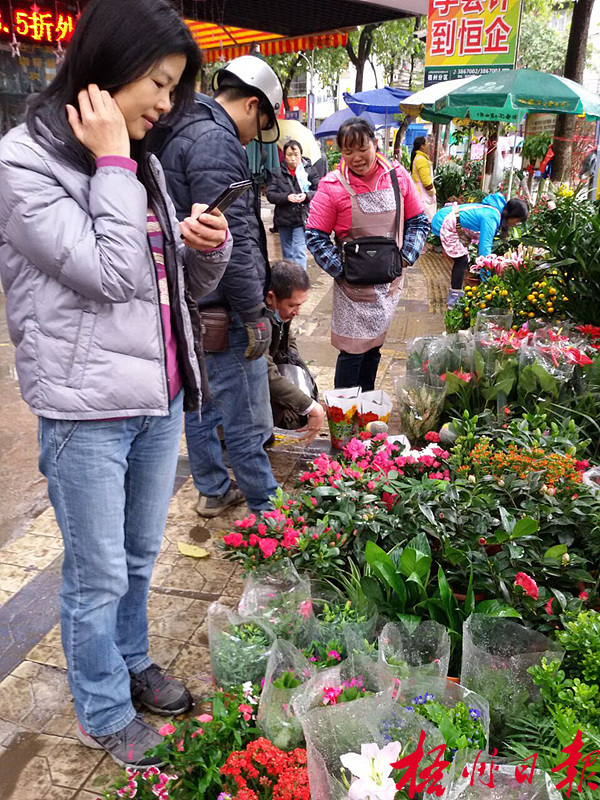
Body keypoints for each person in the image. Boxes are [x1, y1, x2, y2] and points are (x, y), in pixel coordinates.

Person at [0, 0, 231, 769]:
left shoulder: (140, 160)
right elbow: (110, 275)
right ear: (108, 65)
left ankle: (130, 661)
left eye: (174, 88)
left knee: (137, 555)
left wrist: (206, 248)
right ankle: (102, 707)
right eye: (158, 83)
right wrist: (112, 165)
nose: (166, 103)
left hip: (158, 392)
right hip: (86, 409)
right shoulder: (24, 162)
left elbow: (171, 288)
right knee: (96, 572)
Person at [156, 55, 283, 517]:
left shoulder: (181, 127)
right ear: (252, 105)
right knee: (246, 411)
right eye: (260, 125)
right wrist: (253, 314)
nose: (252, 137)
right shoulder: (216, 139)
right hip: (224, 305)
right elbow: (236, 238)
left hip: (192, 300)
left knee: (203, 403)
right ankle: (269, 509)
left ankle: (212, 488)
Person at [306, 117, 429, 392]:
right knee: (351, 352)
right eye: (347, 151)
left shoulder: (398, 177)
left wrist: (405, 258)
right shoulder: (332, 186)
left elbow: (418, 221)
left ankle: (367, 407)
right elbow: (314, 235)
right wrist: (342, 271)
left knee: (374, 349)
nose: (356, 157)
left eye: (362, 148)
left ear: (375, 143)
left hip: (389, 284)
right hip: (353, 291)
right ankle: (344, 411)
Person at [431, 194, 529, 308]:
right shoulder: (491, 217)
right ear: (512, 215)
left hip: (451, 220)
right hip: (445, 220)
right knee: (462, 260)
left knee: (461, 259)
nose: (516, 224)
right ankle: (454, 300)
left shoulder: (495, 213)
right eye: (518, 220)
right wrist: (487, 281)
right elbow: (484, 249)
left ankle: (455, 296)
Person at [265, 260, 324, 443]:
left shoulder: (280, 312)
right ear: (270, 297)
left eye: (301, 305)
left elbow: (288, 341)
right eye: (292, 305)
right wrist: (309, 406)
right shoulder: (258, 322)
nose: (297, 312)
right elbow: (265, 372)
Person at [266, 140, 319, 268]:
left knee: (299, 250)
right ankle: (290, 277)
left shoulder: (309, 171)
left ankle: (299, 278)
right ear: (284, 156)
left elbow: (319, 191)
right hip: (283, 218)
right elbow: (270, 195)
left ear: (301, 155)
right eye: (289, 155)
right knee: (287, 252)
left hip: (301, 217)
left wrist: (306, 196)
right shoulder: (277, 172)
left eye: (296, 155)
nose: (293, 158)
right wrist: (286, 197)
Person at [411, 135, 437, 221]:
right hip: (424, 196)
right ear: (422, 146)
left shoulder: (418, 158)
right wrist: (432, 193)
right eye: (427, 143)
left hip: (420, 194)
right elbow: (426, 182)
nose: (428, 145)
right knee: (427, 220)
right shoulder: (421, 160)